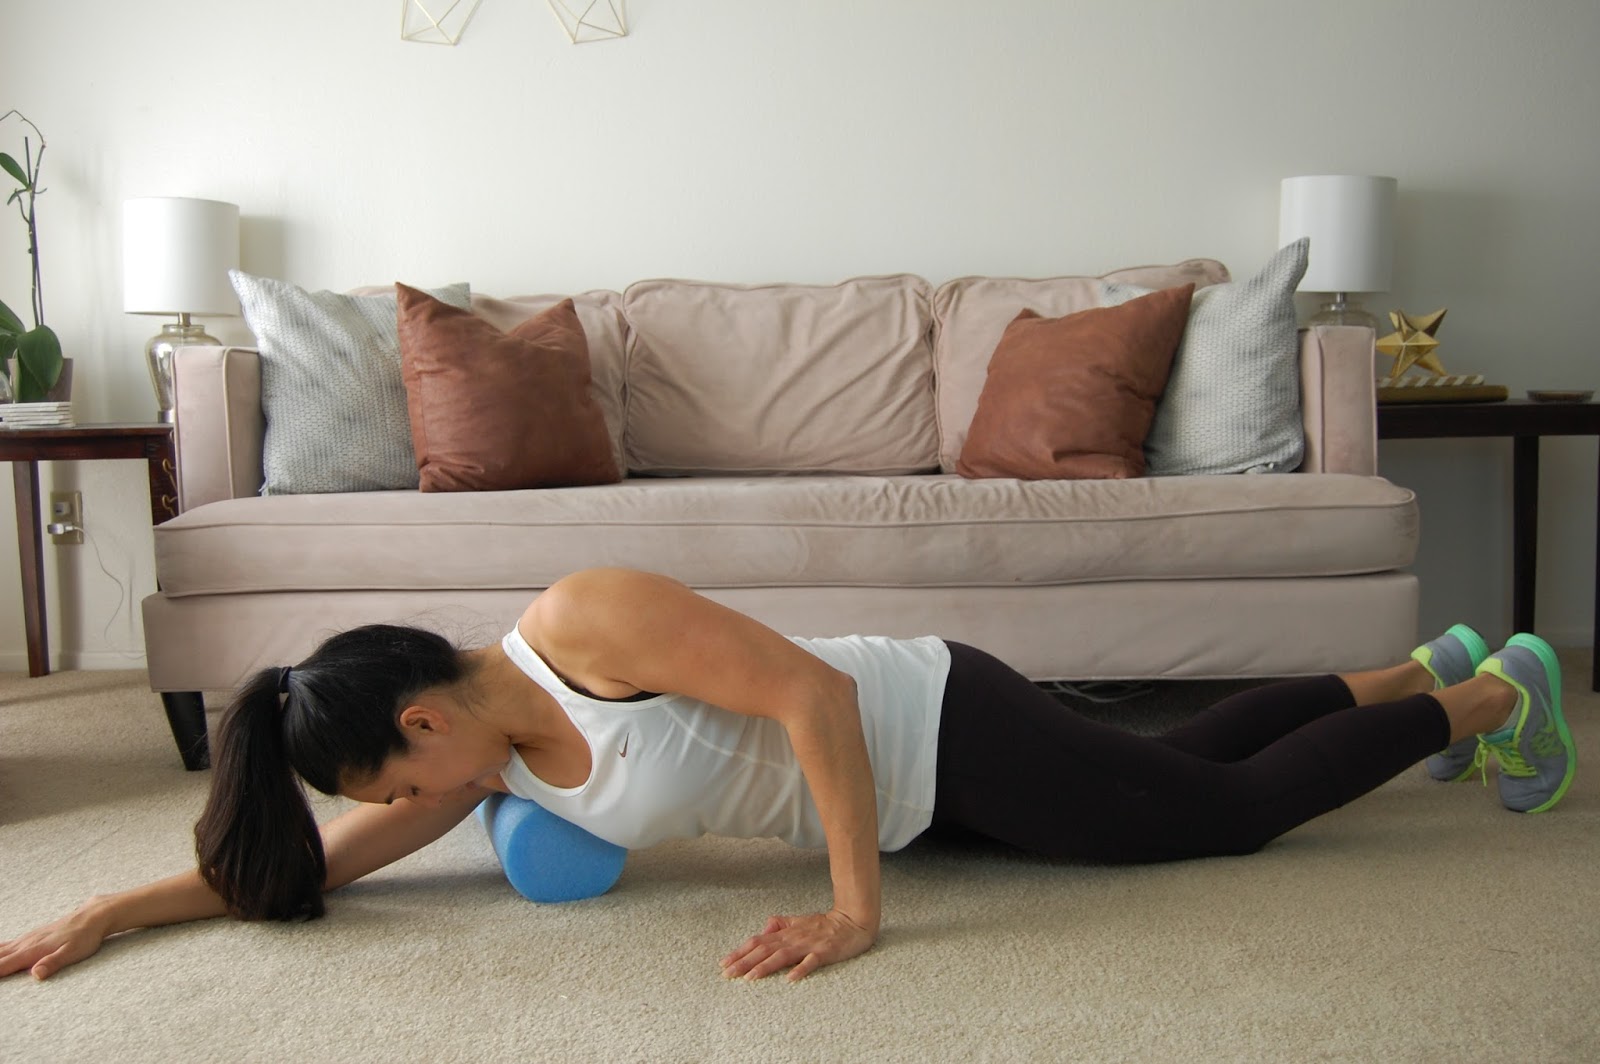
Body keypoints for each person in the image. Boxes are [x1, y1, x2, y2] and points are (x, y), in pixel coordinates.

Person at [0, 567, 1578, 984]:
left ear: (420, 724)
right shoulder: (482, 766)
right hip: (918, 782)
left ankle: (1489, 700)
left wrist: (852, 915)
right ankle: (1412, 670)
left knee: (1215, 822)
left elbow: (815, 695)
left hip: (934, 730)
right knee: (1168, 767)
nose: (392, 820)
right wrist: (115, 910)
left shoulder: (579, 626)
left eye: (388, 788)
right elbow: (303, 871)